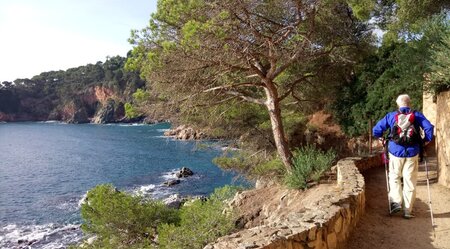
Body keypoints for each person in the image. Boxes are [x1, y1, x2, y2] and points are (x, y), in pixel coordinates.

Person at [373, 94, 434, 219]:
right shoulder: (417, 115)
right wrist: (425, 141)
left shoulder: (391, 116)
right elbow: (429, 127)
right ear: (409, 103)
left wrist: (381, 139)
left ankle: (396, 203)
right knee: (409, 180)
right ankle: (408, 211)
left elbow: (376, 130)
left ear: (398, 104)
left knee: (395, 176)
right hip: (413, 152)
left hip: (395, 151)